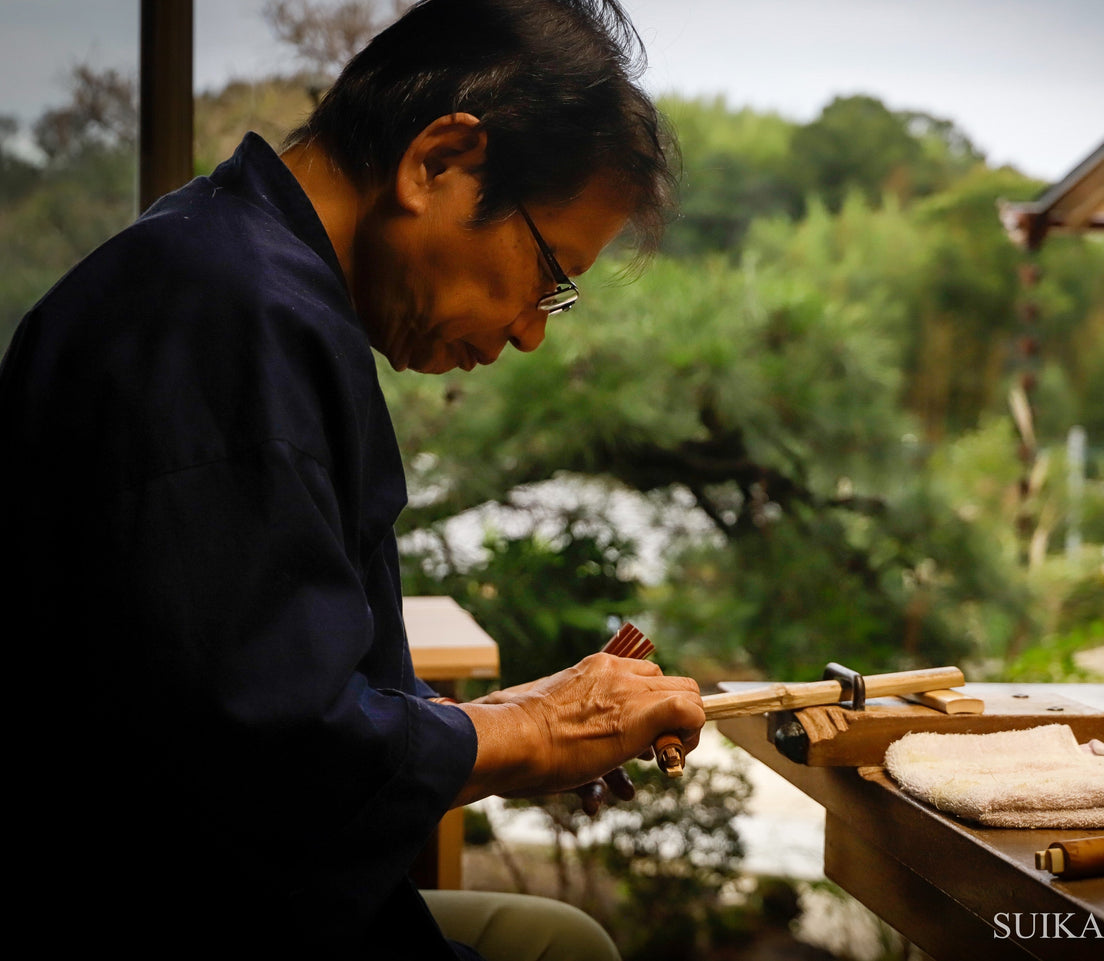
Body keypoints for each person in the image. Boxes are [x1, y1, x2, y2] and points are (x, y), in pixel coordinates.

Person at [0, 1, 704, 958]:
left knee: (559, 936)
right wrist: (532, 731)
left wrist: (504, 726)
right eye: (546, 275)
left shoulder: (222, 261)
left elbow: (249, 681)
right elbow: (276, 755)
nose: (532, 330)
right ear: (439, 162)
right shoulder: (230, 320)